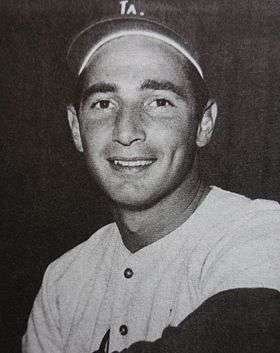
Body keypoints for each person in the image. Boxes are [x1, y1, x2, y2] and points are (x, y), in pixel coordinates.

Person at [22, 1, 280, 352]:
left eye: (159, 102)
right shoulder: (63, 281)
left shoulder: (260, 233)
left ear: (203, 124)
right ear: (76, 128)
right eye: (103, 103)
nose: (126, 131)